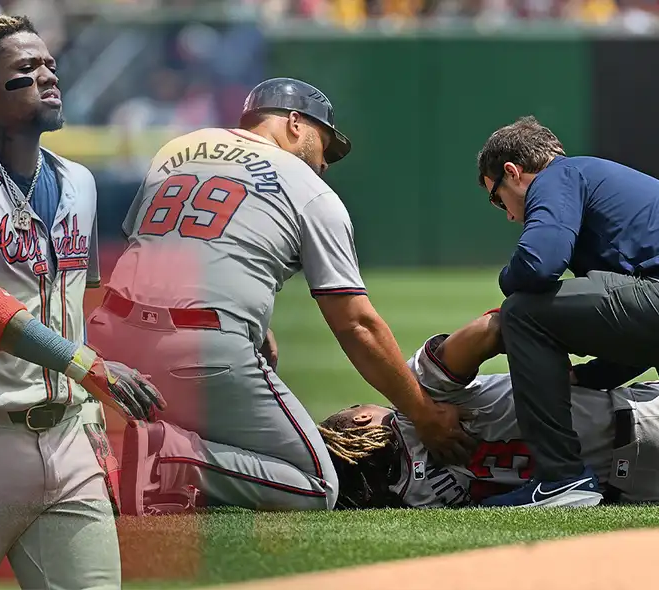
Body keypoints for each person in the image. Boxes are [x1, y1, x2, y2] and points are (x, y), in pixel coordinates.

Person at [84, 77, 475, 516]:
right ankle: (174, 457)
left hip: (108, 342)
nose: (325, 162)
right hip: (199, 354)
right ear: (294, 123)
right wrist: (421, 411)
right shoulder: (311, 191)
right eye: (325, 144)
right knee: (316, 485)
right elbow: (356, 324)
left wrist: (253, 322)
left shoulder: (176, 150)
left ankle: (121, 454)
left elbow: (159, 243)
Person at [0, 15, 165, 590]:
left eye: (50, 66)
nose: (48, 77)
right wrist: (86, 368)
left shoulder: (80, 183)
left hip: (68, 441)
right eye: (26, 69)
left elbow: (80, 309)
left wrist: (92, 408)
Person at [475, 116, 659, 508]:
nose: (507, 214)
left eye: (496, 196)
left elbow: (539, 264)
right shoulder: (594, 182)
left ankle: (561, 478)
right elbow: (641, 340)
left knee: (522, 311)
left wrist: (507, 281)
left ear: (513, 172)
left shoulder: (559, 176)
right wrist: (586, 376)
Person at [317, 309, 659, 510]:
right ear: (362, 418)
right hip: (639, 418)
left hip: (634, 491)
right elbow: (494, 328)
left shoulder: (412, 498)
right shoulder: (417, 399)